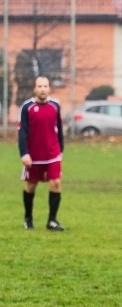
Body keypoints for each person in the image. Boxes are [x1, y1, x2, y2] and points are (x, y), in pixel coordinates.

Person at [18, 76, 65, 231]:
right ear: (35, 89)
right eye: (40, 86)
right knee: (31, 186)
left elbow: (59, 129)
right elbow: (22, 132)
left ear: (49, 88)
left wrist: (61, 150)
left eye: (45, 86)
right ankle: (28, 218)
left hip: (52, 153)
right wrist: (24, 153)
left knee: (56, 183)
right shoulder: (27, 107)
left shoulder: (55, 105)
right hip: (34, 155)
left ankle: (52, 221)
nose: (43, 89)